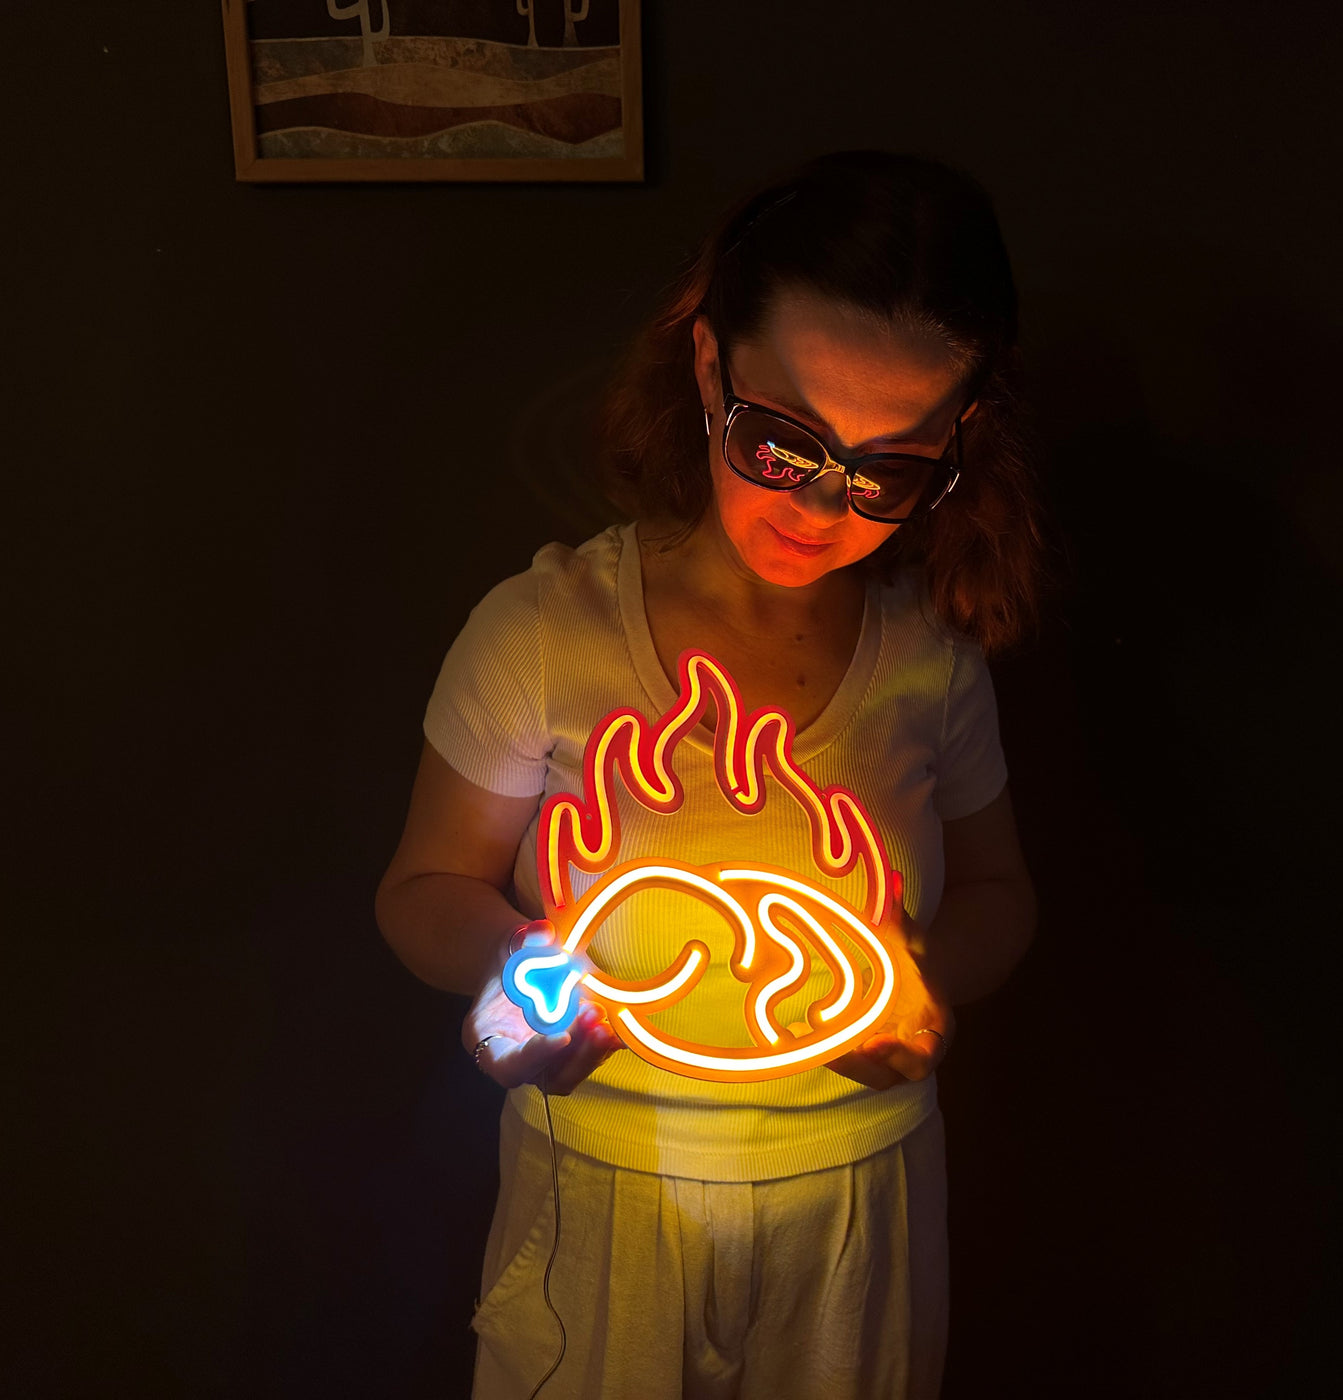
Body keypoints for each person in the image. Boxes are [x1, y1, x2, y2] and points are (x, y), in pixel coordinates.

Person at [376, 150, 1043, 1400]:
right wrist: (510, 981)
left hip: (854, 1204)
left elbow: (1002, 891)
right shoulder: (541, 633)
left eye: (890, 467)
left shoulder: (928, 662)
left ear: (957, 443)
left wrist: (927, 981)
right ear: (706, 367)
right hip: (598, 1192)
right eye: (784, 439)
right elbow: (421, 887)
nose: (825, 503)